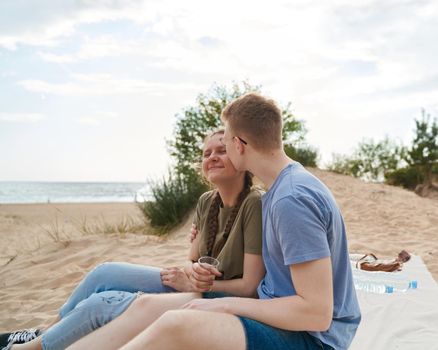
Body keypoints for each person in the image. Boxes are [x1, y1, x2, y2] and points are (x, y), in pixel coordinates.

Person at [90, 92, 361, 350]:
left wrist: (226, 304)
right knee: (146, 307)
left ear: (238, 145)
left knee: (176, 323)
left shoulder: (290, 200)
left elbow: (316, 314)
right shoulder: (281, 189)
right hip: (278, 312)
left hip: (313, 340)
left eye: (226, 141)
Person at [2, 129, 265, 350]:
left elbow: (250, 287)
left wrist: (194, 282)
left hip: (219, 296)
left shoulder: (253, 203)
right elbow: (194, 258)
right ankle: (47, 333)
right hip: (196, 284)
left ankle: (32, 347)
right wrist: (194, 249)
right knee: (103, 273)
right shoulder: (207, 200)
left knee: (99, 304)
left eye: (221, 150)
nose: (212, 157)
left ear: (239, 155)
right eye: (207, 154)